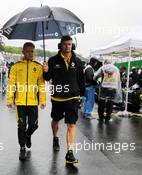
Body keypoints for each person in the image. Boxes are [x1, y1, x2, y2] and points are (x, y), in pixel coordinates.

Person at [42, 35, 85, 164]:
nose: (67, 46)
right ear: (60, 45)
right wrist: (45, 71)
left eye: (70, 44)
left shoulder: (77, 61)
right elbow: (47, 78)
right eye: (65, 44)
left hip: (72, 98)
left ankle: (69, 152)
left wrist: (82, 95)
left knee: (71, 124)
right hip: (57, 98)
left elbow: (80, 80)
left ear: (73, 46)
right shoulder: (52, 60)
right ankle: (55, 138)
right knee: (55, 120)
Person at [7, 42, 46, 161]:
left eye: (32, 51)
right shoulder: (16, 66)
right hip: (20, 102)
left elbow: (41, 85)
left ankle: (28, 135)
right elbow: (11, 84)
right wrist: (10, 99)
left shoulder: (38, 66)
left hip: (33, 102)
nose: (30, 53)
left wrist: (43, 100)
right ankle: (22, 148)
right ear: (23, 52)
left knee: (34, 125)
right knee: (21, 125)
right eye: (27, 51)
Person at [94, 59, 122, 123]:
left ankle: (100, 118)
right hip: (113, 88)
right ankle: (108, 118)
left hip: (104, 87)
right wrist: (118, 89)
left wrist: (96, 80)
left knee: (101, 102)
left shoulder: (103, 67)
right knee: (110, 102)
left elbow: (95, 76)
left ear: (105, 63)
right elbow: (118, 80)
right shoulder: (116, 69)